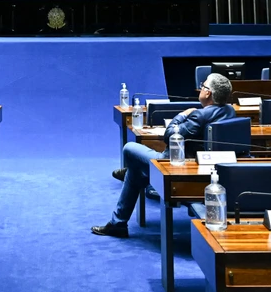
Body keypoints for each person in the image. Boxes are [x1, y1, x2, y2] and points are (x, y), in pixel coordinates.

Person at [92, 73, 236, 237]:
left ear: (208, 93)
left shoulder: (199, 115)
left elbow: (170, 136)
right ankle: (118, 223)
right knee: (135, 174)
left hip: (174, 164)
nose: (200, 88)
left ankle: (119, 219)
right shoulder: (230, 111)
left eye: (203, 86)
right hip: (203, 164)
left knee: (129, 148)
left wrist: (183, 115)